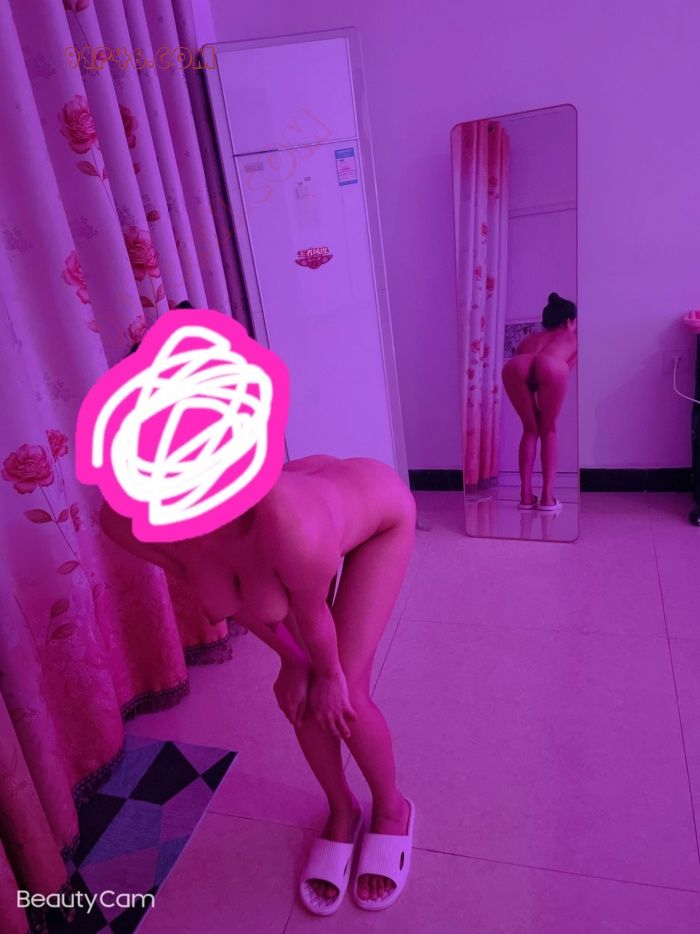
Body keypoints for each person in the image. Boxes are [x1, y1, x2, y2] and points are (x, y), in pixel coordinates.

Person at [100, 454, 416, 915]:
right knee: (303, 698)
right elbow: (233, 597)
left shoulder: (290, 527)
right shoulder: (129, 522)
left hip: (375, 514)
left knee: (344, 691)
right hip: (303, 514)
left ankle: (392, 808)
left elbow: (311, 615)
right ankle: (342, 808)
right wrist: (292, 661)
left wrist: (324, 672)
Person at [501, 293, 577, 511]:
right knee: (548, 429)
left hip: (516, 366)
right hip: (552, 365)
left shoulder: (530, 339)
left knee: (530, 429)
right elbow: (566, 368)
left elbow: (528, 364)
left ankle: (525, 497)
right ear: (569, 321)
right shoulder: (572, 337)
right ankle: (547, 498)